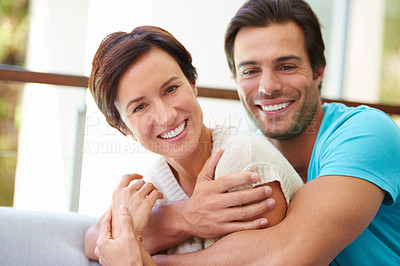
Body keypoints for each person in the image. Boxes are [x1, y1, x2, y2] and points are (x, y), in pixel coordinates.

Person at [149, 0, 400, 265]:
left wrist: (147, 261)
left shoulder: (366, 132)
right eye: (251, 71)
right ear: (235, 80)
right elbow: (102, 235)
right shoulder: (241, 151)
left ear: (318, 71)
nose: (268, 87)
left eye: (287, 66)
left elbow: (287, 253)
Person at [84, 25, 303, 260]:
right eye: (140, 107)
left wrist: (146, 258)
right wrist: (183, 216)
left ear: (193, 84)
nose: (166, 116)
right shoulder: (154, 184)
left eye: (171, 89)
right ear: (123, 127)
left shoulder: (244, 162)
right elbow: (92, 243)